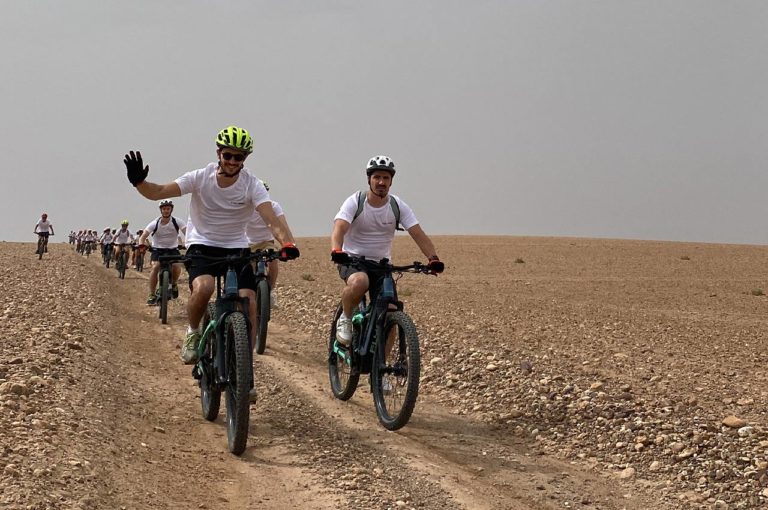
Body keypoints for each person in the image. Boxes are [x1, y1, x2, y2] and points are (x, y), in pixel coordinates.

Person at [123, 125, 300, 371]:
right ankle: (193, 332)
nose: (232, 161)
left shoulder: (252, 184)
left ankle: (244, 367)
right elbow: (160, 192)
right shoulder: (200, 177)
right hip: (202, 245)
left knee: (249, 303)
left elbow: (271, 218)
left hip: (237, 247)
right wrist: (139, 182)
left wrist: (288, 244)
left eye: (238, 157)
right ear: (219, 153)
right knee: (204, 288)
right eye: (227, 155)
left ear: (245, 159)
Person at [330, 155, 444, 346]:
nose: (381, 182)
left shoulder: (397, 206)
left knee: (391, 311)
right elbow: (339, 228)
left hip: (382, 266)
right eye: (377, 177)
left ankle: (382, 371)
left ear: (391, 181)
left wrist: (433, 259)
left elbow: (417, 233)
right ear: (369, 179)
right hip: (353, 261)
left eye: (386, 178)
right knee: (360, 282)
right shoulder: (356, 201)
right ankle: (346, 319)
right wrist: (336, 250)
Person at [245, 181, 292, 309]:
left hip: (266, 242)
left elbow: (283, 225)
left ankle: (269, 291)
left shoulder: (274, 206)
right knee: (246, 269)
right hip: (247, 243)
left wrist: (290, 244)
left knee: (273, 262)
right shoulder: (246, 207)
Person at [138, 199, 187, 305]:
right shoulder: (154, 223)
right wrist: (141, 245)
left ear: (171, 210)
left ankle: (173, 284)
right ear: (161, 210)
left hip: (173, 249)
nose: (166, 211)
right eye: (164, 209)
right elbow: (143, 236)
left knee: (177, 266)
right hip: (157, 250)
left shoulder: (177, 221)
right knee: (155, 267)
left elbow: (187, 233)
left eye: (168, 209)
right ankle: (151, 294)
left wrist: (190, 243)